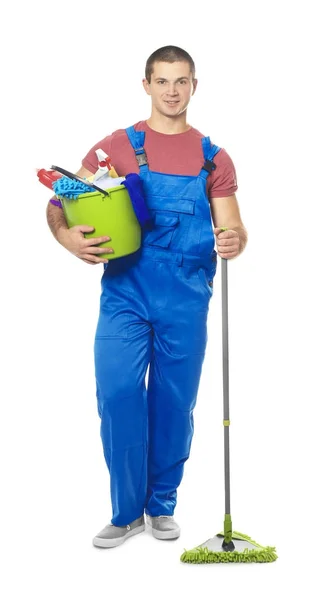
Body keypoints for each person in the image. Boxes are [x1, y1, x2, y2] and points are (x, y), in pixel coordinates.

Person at [46, 45, 248, 549]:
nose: (172, 92)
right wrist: (68, 238)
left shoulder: (212, 158)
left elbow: (234, 228)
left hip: (186, 297)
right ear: (147, 85)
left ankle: (161, 506)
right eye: (163, 81)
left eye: (182, 81)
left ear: (194, 86)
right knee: (116, 396)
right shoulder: (115, 147)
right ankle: (125, 512)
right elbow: (60, 202)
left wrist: (234, 240)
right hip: (126, 293)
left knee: (173, 404)